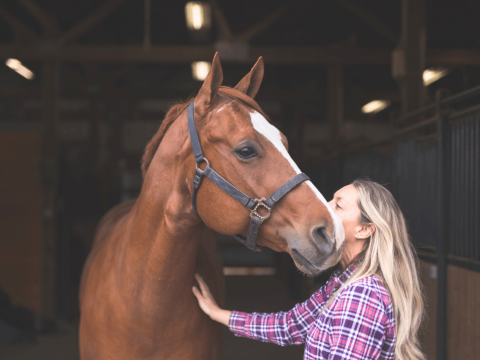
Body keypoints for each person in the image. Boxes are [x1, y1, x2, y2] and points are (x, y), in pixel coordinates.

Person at [193, 179, 425, 360]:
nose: (325, 205)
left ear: (364, 230)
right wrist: (218, 314)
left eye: (338, 204)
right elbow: (291, 326)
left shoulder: (361, 295)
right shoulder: (344, 280)